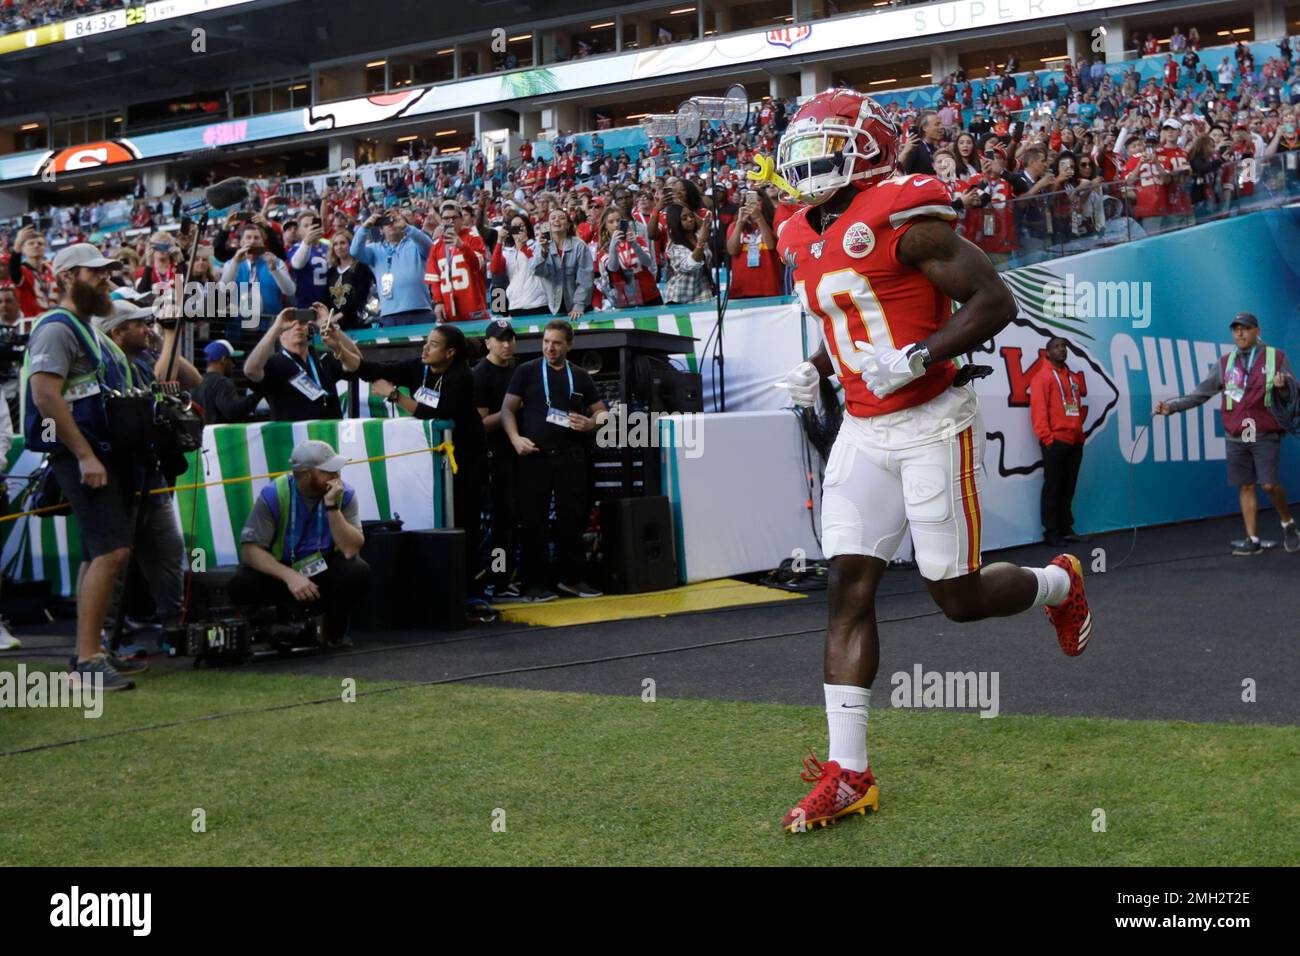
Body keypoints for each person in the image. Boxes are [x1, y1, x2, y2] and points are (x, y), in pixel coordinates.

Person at [773, 89, 1092, 832]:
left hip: (929, 421)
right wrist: (822, 368)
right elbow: (852, 312)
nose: (808, 158)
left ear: (868, 147)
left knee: (956, 597)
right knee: (847, 586)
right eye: (805, 142)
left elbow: (993, 302)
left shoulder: (904, 218)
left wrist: (917, 354)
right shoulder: (800, 229)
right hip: (862, 429)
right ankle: (849, 770)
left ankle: (1057, 582)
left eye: (827, 141)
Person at [22, 244, 144, 690]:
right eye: (97, 274)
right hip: (81, 455)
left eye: (108, 274)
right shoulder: (57, 327)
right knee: (112, 551)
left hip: (94, 452)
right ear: (69, 276)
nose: (107, 281)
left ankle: (89, 650)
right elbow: (45, 397)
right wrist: (85, 455)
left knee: (100, 551)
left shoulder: (84, 327)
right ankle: (88, 661)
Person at [330, 322, 488, 592]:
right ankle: (435, 584)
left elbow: (436, 413)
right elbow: (371, 369)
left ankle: (469, 588)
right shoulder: (420, 367)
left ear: (450, 353)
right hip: (432, 460)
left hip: (466, 460)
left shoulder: (462, 376)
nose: (425, 348)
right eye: (426, 341)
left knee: (464, 522)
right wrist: (337, 344)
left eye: (434, 344)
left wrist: (394, 395)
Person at [94, 297, 202, 655]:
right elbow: (163, 380)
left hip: (151, 472)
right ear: (118, 332)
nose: (147, 328)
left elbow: (190, 380)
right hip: (119, 474)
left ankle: (172, 624)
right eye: (139, 324)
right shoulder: (105, 363)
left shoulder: (141, 358)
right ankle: (104, 636)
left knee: (169, 550)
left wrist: (160, 340)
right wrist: (169, 336)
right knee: (115, 557)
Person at [1156, 312, 1300, 555]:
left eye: (1245, 328)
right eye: (1235, 330)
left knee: (1268, 485)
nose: (1239, 333)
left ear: (1257, 330)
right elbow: (1200, 394)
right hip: (1237, 434)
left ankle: (1289, 524)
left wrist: (1283, 386)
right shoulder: (1225, 363)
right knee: (1245, 485)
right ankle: (1252, 539)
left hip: (1264, 432)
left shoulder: (1275, 357)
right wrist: (1172, 407)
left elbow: (1294, 395)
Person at [500, 319, 608, 602]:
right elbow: (507, 410)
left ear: (569, 345)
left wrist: (590, 424)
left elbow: (603, 413)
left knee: (572, 519)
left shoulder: (581, 375)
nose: (550, 347)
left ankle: (571, 578)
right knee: (532, 521)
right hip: (535, 456)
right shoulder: (526, 371)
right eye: (546, 341)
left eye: (557, 342)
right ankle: (533, 583)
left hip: (570, 457)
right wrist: (515, 439)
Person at [231, 439, 369, 649]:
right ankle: (269, 629)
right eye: (328, 471)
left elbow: (351, 550)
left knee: (356, 570)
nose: (336, 476)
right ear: (305, 475)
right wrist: (290, 576)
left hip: (322, 569)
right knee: (241, 581)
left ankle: (333, 631)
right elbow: (250, 551)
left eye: (337, 469)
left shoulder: (345, 495)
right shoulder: (274, 494)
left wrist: (332, 507)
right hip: (283, 570)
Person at [473, 319, 521, 601]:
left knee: (515, 519)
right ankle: (496, 580)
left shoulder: (517, 369)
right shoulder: (481, 374)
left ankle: (508, 576)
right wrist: (509, 412)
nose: (506, 344)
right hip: (494, 456)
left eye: (510, 338)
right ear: (488, 342)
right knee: (500, 522)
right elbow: (479, 423)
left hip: (517, 454)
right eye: (500, 339)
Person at [243, 306, 348, 421]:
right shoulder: (273, 364)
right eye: (291, 324)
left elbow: (357, 364)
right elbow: (250, 370)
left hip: (328, 433)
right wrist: (275, 329)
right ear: (280, 333)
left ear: (308, 329)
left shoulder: (322, 358)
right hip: (293, 436)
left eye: (302, 322)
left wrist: (334, 330)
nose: (297, 326)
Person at [1030, 337, 1087, 546]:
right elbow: (1039, 411)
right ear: (1048, 352)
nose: (1062, 350)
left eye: (1064, 346)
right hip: (1055, 441)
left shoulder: (1072, 379)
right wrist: (1047, 438)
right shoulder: (1042, 377)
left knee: (1068, 486)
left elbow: (1075, 408)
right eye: (1057, 347)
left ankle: (1066, 528)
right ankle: (1051, 531)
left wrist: (1080, 435)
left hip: (1074, 440)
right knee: (1053, 486)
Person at [349, 209, 435, 326]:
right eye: (386, 222)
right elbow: (354, 251)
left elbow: (430, 247)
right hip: (389, 314)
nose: (390, 224)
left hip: (420, 310)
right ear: (381, 229)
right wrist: (365, 227)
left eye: (394, 220)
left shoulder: (414, 243)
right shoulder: (375, 249)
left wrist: (407, 228)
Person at [219, 222, 296, 331]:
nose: (252, 241)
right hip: (238, 325)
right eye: (248, 237)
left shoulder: (276, 262)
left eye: (256, 237)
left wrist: (274, 270)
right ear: (241, 242)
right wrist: (236, 262)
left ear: (262, 242)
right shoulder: (231, 263)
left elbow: (290, 291)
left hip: (270, 325)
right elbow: (223, 288)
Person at [425, 201, 490, 323]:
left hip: (473, 309)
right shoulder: (436, 244)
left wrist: (462, 246)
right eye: (445, 218)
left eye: (454, 217)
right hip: (448, 311)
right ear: (441, 221)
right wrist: (438, 302)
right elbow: (434, 279)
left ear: (461, 219)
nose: (450, 221)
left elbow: (478, 266)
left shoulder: (473, 238)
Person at [530, 209, 593, 319]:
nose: (557, 220)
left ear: (568, 225)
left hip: (579, 306)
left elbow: (585, 278)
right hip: (553, 306)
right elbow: (537, 272)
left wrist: (578, 305)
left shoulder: (579, 245)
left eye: (562, 218)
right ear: (548, 225)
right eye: (553, 218)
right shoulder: (540, 246)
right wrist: (543, 253)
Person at [725, 189, 783, 299]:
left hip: (769, 288)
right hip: (741, 289)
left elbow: (771, 246)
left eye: (759, 200)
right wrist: (740, 223)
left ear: (765, 203)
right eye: (751, 201)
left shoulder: (773, 223)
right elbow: (732, 250)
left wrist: (759, 218)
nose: (755, 203)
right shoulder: (735, 226)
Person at [490, 212, 550, 316]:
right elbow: (495, 269)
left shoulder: (537, 246)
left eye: (521, 226)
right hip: (515, 304)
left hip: (538, 303)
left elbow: (538, 264)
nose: (518, 229)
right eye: (514, 227)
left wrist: (523, 245)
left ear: (527, 228)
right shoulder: (507, 252)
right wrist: (499, 242)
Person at [191, 339, 259, 425]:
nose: (233, 365)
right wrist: (257, 395)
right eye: (232, 360)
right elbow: (233, 412)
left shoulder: (195, 383)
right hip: (218, 437)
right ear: (223, 359)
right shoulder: (222, 383)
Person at [662, 203, 714, 304]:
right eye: (684, 218)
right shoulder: (674, 245)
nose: (690, 219)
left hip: (702, 292)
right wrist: (701, 242)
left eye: (691, 216)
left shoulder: (698, 236)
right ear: (676, 221)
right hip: (680, 298)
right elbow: (689, 264)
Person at [324, 228, 375, 330]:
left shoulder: (361, 268)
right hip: (336, 325)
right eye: (336, 244)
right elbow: (327, 298)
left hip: (358, 322)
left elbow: (361, 296)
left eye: (343, 243)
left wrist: (343, 314)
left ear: (351, 245)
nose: (339, 247)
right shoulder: (331, 272)